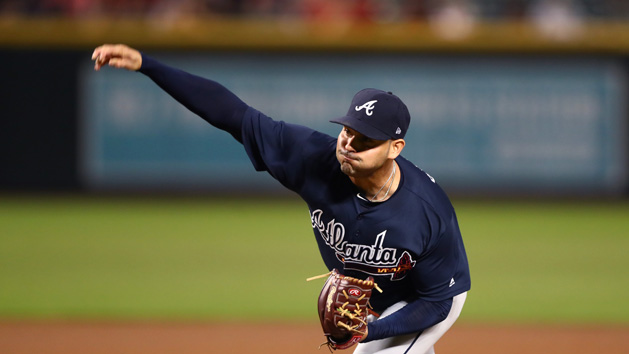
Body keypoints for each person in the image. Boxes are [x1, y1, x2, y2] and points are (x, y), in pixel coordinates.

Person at [91, 44, 471, 354]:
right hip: (377, 299)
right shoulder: (311, 158)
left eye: (366, 140)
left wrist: (367, 331)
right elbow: (232, 114)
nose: (349, 144)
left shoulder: (426, 210)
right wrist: (147, 65)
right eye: (348, 131)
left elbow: (436, 302)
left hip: (432, 298)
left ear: (395, 148)